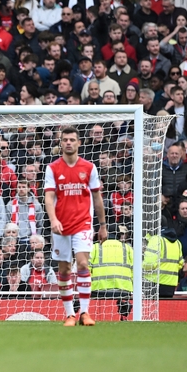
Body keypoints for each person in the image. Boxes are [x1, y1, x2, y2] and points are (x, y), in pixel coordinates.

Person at [44, 127, 108, 327]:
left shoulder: (89, 168)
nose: (69, 143)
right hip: (61, 225)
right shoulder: (52, 168)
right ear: (61, 143)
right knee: (63, 269)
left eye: (72, 139)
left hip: (83, 223)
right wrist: (53, 219)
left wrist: (103, 225)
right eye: (65, 140)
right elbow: (48, 196)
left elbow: (97, 197)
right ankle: (70, 314)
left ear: (79, 143)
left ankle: (85, 313)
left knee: (82, 264)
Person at [90, 235, 134, 320]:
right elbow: (135, 269)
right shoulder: (127, 248)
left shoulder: (95, 247)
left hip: (99, 291)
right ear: (119, 235)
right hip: (123, 290)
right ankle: (123, 313)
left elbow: (86, 268)